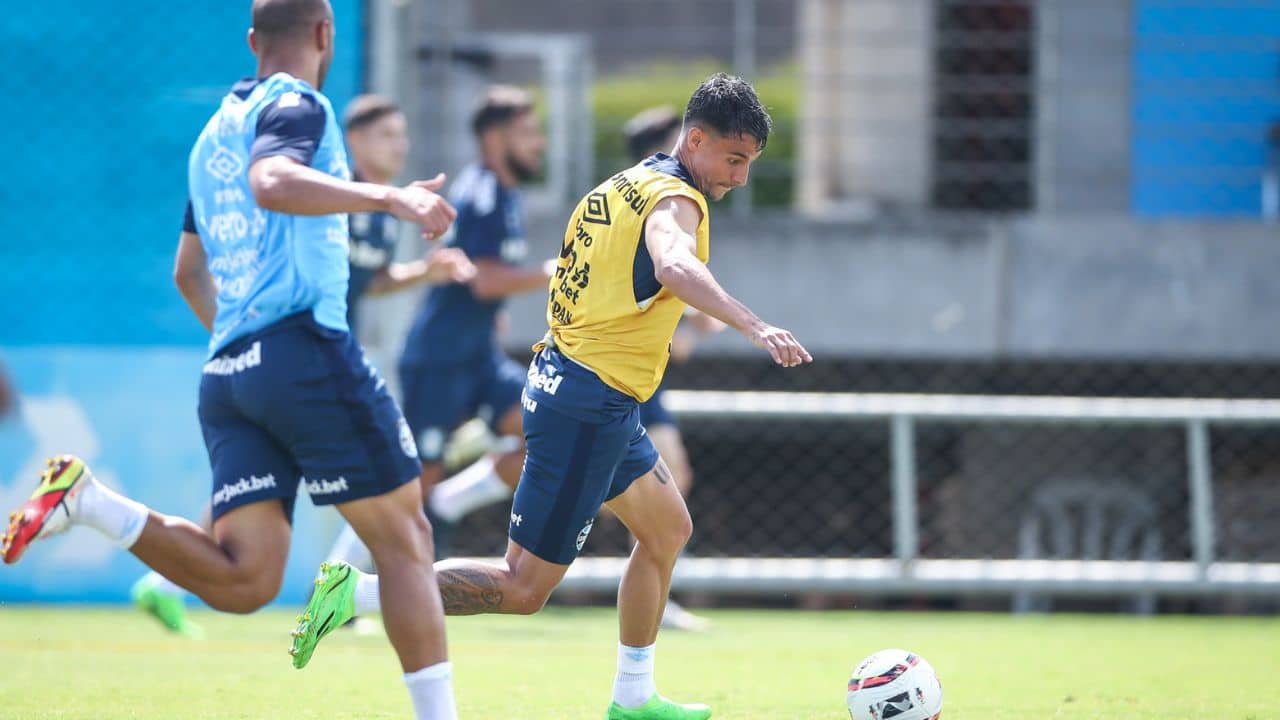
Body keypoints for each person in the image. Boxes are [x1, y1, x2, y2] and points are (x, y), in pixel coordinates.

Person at [291, 72, 811, 720]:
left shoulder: (621, 185)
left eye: (748, 164)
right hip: (586, 404)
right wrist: (754, 323)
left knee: (667, 530)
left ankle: (634, 697)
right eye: (733, 160)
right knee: (524, 587)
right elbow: (674, 264)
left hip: (588, 393)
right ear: (696, 139)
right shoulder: (679, 201)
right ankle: (362, 593)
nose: (737, 177)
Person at [1, 2, 460, 718]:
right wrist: (390, 196)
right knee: (406, 539)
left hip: (229, 373)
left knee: (246, 581)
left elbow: (187, 271)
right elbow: (273, 183)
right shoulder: (300, 103)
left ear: (252, 42)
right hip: (303, 349)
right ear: (323, 35)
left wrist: (247, 347)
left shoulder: (212, 133)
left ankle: (90, 502)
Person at [128, 93, 475, 638]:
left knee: (259, 489)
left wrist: (422, 274)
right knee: (389, 483)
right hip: (305, 360)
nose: (400, 144)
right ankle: (348, 595)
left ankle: (167, 580)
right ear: (351, 141)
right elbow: (205, 264)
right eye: (387, 134)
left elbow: (371, 279)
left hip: (314, 360)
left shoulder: (380, 214)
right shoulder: (323, 189)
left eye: (403, 134)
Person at [324, 85, 554, 570]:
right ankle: (333, 584)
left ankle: (451, 500)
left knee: (550, 431)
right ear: (495, 137)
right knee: (408, 484)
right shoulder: (481, 193)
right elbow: (485, 280)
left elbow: (475, 279)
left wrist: (488, 309)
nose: (539, 143)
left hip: (479, 357)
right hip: (439, 360)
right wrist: (553, 273)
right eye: (527, 132)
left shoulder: (505, 196)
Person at [622, 107, 728, 632]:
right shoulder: (654, 200)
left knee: (672, 480)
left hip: (644, 377)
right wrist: (694, 331)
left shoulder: (671, 204)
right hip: (618, 373)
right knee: (650, 490)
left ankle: (654, 600)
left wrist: (696, 320)